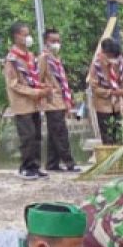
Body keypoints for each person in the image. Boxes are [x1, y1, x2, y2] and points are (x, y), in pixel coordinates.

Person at [4, 22, 48, 181]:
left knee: (37, 135)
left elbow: (33, 78)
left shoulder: (30, 56)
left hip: (35, 103)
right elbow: (14, 83)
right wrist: (34, 92)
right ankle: (25, 167)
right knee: (27, 136)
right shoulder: (12, 59)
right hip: (22, 104)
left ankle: (35, 166)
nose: (28, 37)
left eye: (28, 34)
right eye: (24, 34)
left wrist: (42, 87)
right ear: (16, 37)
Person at [37, 28, 79, 172]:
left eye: (58, 41)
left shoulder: (56, 59)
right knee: (60, 133)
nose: (56, 44)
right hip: (52, 101)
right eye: (53, 41)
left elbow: (63, 81)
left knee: (54, 133)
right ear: (46, 42)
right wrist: (47, 89)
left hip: (60, 100)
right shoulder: (43, 58)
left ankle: (51, 163)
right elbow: (37, 79)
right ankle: (69, 162)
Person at [90, 38, 123, 145]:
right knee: (107, 137)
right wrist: (111, 92)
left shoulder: (120, 62)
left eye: (114, 56)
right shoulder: (96, 66)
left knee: (119, 136)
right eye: (110, 56)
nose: (113, 59)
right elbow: (95, 88)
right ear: (103, 53)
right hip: (103, 106)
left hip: (116, 105)